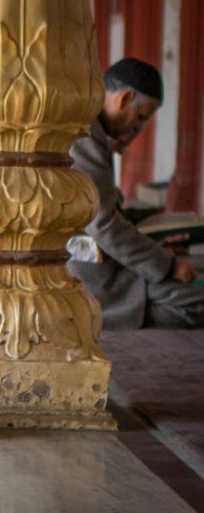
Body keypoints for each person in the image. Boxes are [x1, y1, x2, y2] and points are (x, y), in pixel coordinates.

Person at [67, 57, 204, 329]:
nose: (139, 129)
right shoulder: (85, 135)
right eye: (141, 118)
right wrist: (167, 265)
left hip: (103, 258)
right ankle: (109, 316)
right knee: (196, 302)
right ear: (124, 99)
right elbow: (104, 224)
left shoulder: (94, 129)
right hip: (90, 270)